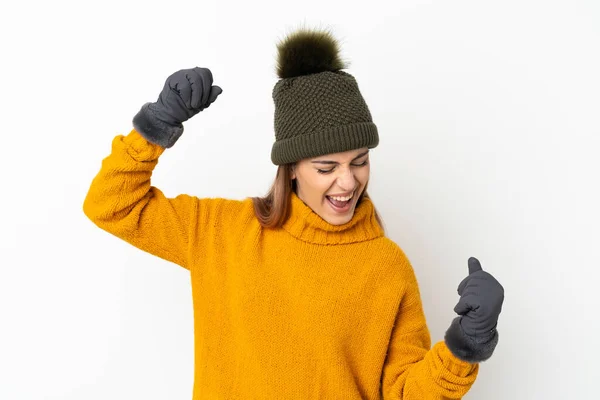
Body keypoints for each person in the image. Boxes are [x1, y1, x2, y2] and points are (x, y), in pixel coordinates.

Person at [83, 27, 504, 399]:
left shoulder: (386, 268)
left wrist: (465, 343)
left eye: (359, 161)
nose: (348, 182)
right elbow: (112, 204)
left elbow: (406, 394)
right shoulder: (221, 232)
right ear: (293, 169)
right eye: (326, 167)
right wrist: (157, 124)